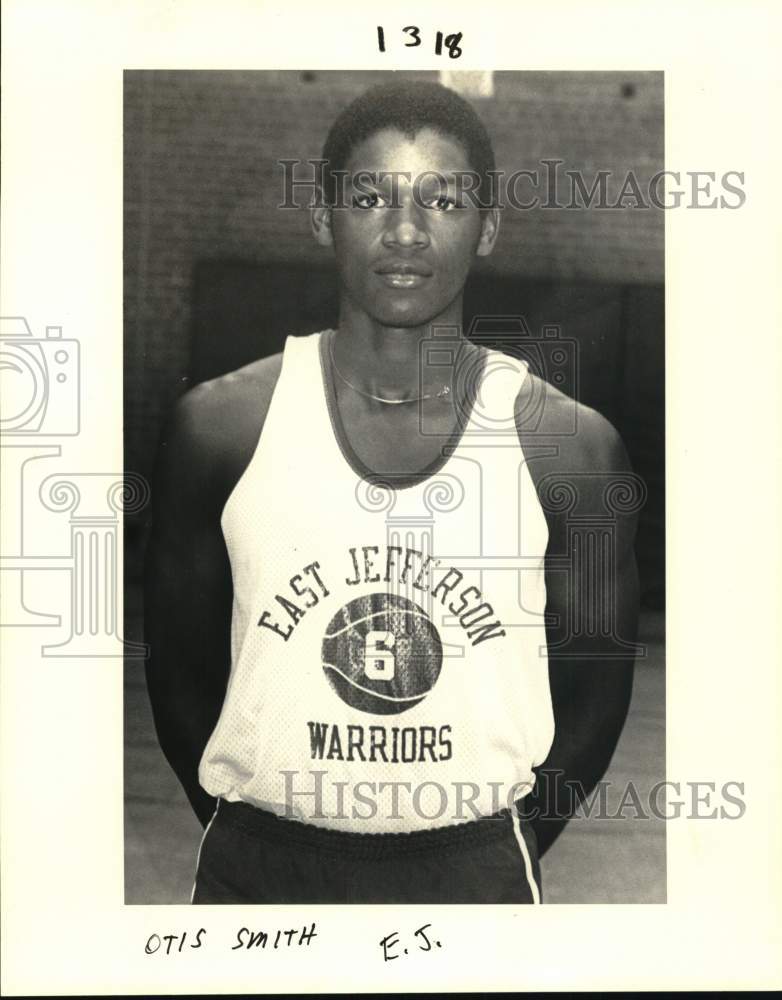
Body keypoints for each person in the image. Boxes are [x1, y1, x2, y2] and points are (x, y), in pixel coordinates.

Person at [144, 80, 640, 904]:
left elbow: (596, 698)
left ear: (488, 228)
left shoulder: (570, 448)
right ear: (321, 217)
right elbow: (180, 675)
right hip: (258, 865)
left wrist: (496, 846)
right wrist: (255, 833)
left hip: (475, 866)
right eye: (370, 195)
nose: (405, 231)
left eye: (442, 200)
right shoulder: (221, 428)